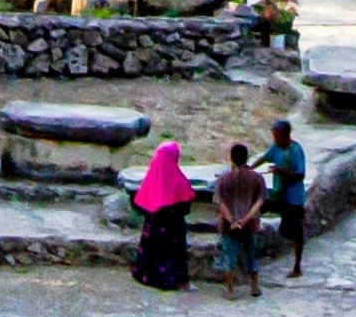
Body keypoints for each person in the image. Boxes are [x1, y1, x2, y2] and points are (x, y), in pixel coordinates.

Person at [129, 139, 196, 290]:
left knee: (152, 249)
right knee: (174, 253)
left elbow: (141, 202)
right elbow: (186, 204)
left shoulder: (151, 178)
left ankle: (148, 276)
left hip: (153, 227)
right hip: (174, 230)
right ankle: (175, 281)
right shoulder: (179, 181)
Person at [209, 141, 268, 287]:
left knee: (229, 258)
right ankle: (254, 286)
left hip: (229, 226)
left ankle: (230, 289)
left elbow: (220, 202)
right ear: (247, 158)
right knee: (252, 256)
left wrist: (232, 220)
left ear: (231, 158)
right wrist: (246, 219)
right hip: (250, 225)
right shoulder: (257, 178)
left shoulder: (223, 179)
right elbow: (259, 201)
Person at [264, 117, 309, 276]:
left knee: (296, 232)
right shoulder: (276, 148)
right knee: (284, 228)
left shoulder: (296, 150)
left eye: (277, 136)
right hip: (280, 193)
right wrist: (248, 168)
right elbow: (264, 157)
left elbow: (300, 175)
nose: (275, 139)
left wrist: (282, 171)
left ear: (285, 135)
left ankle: (297, 267)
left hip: (294, 197)